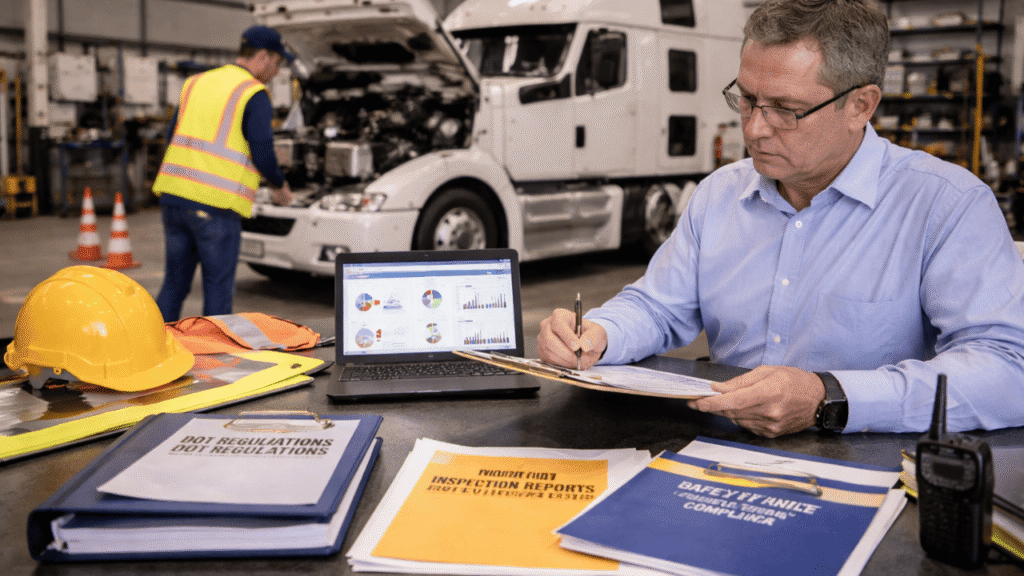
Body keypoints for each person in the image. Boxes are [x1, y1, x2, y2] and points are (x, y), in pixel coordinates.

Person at [538, 0, 1024, 437]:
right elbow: (659, 307)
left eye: (786, 110)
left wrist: (828, 397)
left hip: (866, 462)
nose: (754, 128)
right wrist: (599, 334)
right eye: (746, 99)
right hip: (721, 447)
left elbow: (1007, 372)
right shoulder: (720, 195)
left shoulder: (946, 205)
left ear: (862, 105)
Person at [153, 25, 294, 322]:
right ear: (265, 57)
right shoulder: (253, 93)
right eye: (277, 64)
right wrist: (279, 185)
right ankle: (216, 362)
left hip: (174, 197)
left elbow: (171, 138)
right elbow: (262, 152)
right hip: (215, 206)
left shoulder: (195, 82)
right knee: (217, 290)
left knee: (174, 284)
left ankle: (154, 352)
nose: (277, 72)